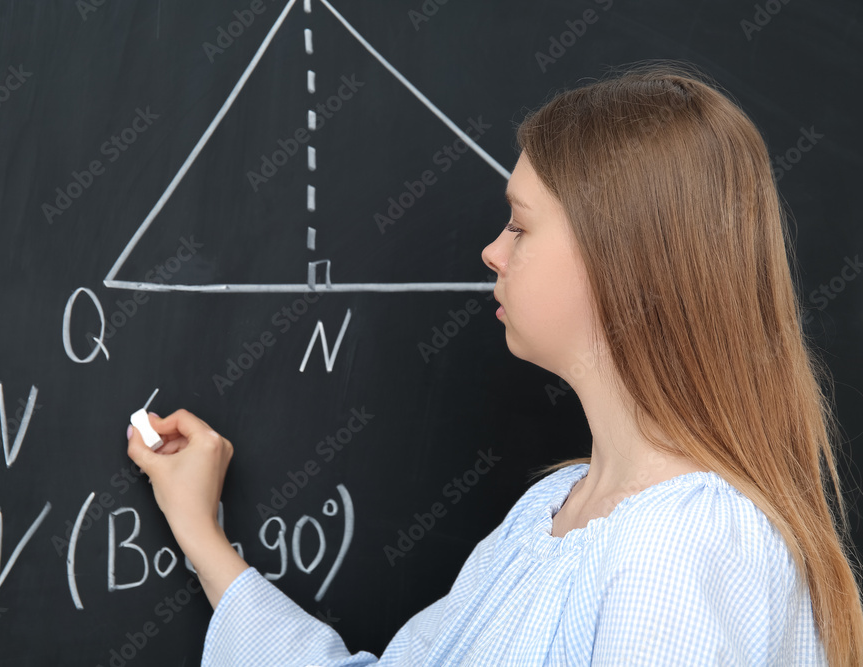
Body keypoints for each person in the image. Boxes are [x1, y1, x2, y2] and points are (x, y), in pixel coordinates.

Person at [126, 60, 863, 665]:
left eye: (519, 223)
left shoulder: (680, 548)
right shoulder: (552, 515)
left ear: (619, 263)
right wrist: (203, 535)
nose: (492, 250)